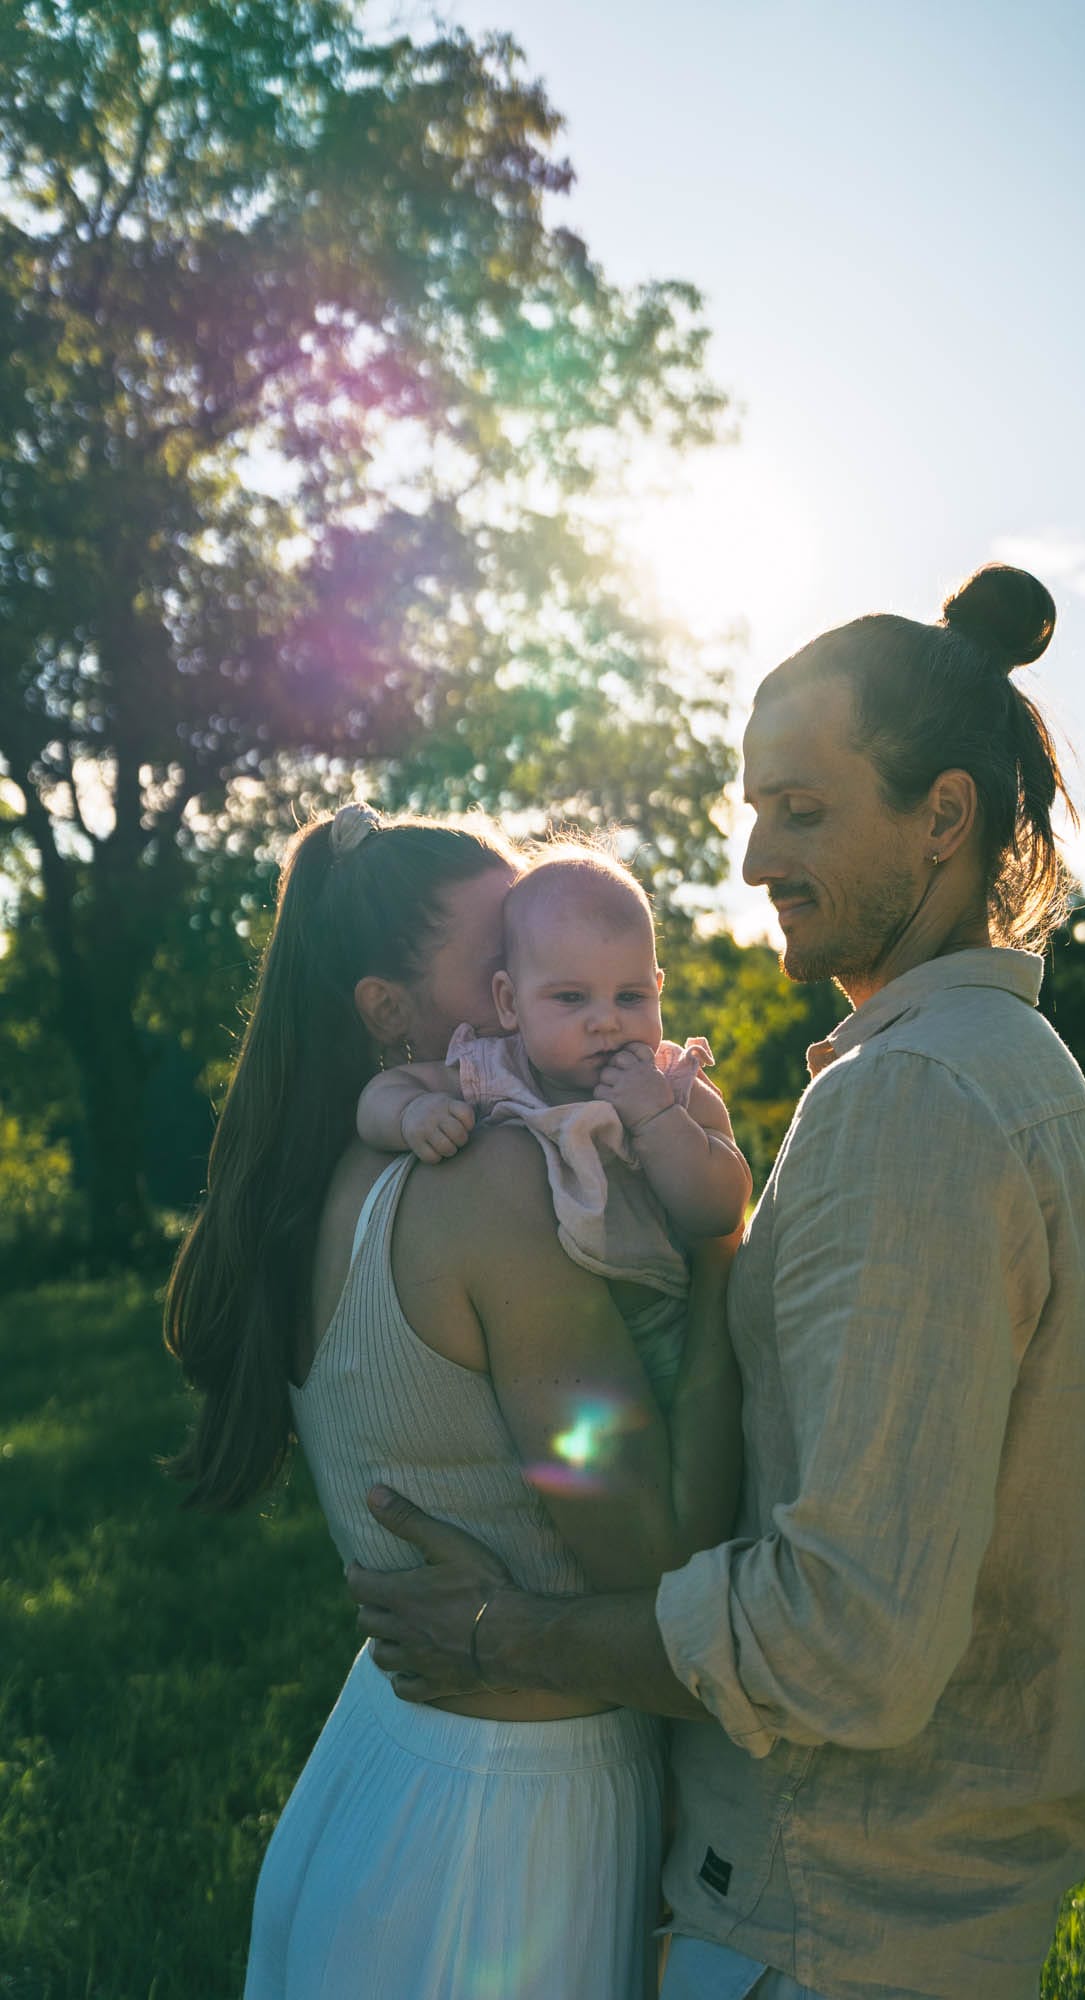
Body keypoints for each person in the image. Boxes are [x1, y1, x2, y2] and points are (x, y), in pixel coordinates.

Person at [347, 564, 1085, 2000]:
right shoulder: (1005, 1074)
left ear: (942, 816)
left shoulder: (919, 1105)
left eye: (806, 809)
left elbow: (850, 1642)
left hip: (827, 1921)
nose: (756, 855)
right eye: (752, 805)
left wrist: (508, 1634)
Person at [164, 806, 742, 2000]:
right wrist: (725, 1248)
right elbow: (663, 1548)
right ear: (390, 1010)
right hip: (507, 1828)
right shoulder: (486, 1183)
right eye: (503, 959)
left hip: (388, 1769)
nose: (526, 980)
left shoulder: (332, 1173)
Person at [357, 843, 752, 1408]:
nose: (606, 1021)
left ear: (659, 989)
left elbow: (722, 1208)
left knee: (698, 1458)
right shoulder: (496, 1069)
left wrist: (658, 1119)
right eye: (570, 998)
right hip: (547, 1334)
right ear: (510, 1002)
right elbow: (384, 1091)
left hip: (668, 1326)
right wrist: (411, 1114)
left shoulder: (672, 1084)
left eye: (631, 996)